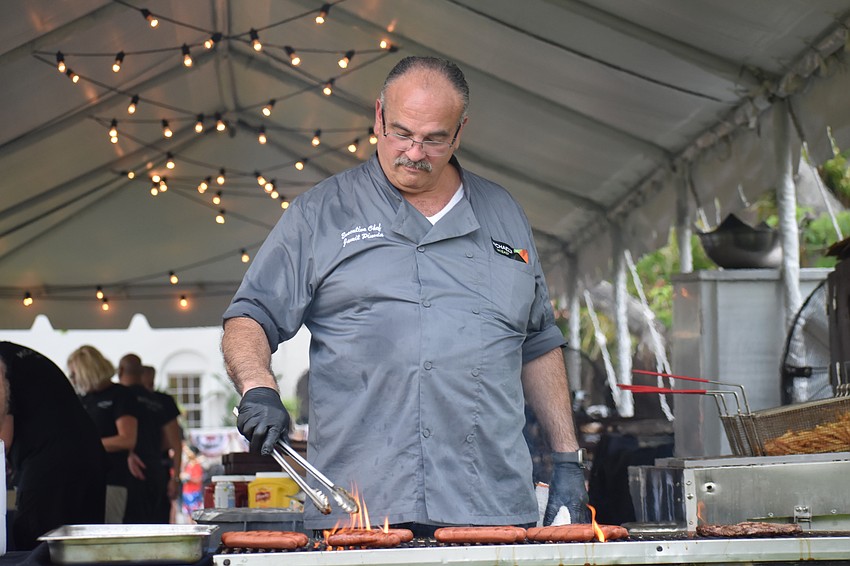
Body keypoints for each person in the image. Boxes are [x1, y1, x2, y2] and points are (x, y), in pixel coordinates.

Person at [221, 56, 588, 534]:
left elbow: (538, 342)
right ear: (378, 117)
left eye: (433, 138)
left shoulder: (504, 213)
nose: (414, 152)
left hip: (491, 508)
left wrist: (568, 461)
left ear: (459, 133)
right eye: (401, 132)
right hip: (362, 512)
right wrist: (258, 387)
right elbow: (249, 315)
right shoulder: (321, 213)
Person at [0, 342, 106, 550]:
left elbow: (3, 433)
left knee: (37, 546)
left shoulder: (3, 362)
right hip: (90, 458)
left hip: (52, 466)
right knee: (85, 550)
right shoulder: (19, 356)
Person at [68, 345, 137, 524]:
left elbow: (127, 439)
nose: (72, 379)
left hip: (112, 478)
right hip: (83, 479)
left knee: (108, 530)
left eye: (74, 374)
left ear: (86, 371)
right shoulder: (81, 399)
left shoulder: (120, 395)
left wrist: (85, 445)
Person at [117, 354, 180, 523]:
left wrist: (129, 450)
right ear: (141, 372)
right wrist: (176, 477)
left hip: (125, 472)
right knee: (158, 526)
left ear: (120, 371)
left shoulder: (118, 396)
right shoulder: (159, 401)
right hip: (155, 468)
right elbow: (173, 441)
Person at [140, 364, 183, 523]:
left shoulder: (162, 401)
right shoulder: (127, 396)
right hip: (143, 467)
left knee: (158, 518)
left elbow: (175, 443)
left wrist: (175, 478)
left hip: (158, 465)